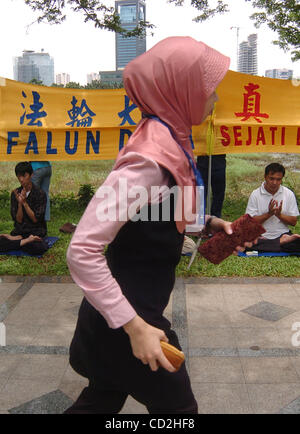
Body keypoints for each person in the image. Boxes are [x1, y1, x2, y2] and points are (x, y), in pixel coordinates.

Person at [65, 37, 253, 415]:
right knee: (180, 412)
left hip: (118, 318)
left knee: (101, 400)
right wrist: (135, 328)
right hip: (130, 321)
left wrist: (214, 224)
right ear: (179, 91)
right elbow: (82, 250)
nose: (215, 98)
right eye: (209, 89)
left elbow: (160, 211)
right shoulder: (148, 162)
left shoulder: (170, 139)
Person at [246, 162, 300, 253]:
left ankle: (279, 242)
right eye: (271, 179)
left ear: (282, 179)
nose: (274, 183)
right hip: (260, 235)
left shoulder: (288, 194)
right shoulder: (255, 194)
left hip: (283, 234)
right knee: (245, 243)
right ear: (265, 177)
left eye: (278, 179)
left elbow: (293, 222)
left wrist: (279, 215)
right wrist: (268, 214)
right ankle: (280, 243)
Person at [0, 162, 49, 256]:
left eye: (24, 176)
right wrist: (20, 204)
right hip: (19, 231)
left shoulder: (40, 193)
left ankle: (18, 241)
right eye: (18, 176)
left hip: (35, 231)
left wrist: (25, 203)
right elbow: (18, 220)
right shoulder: (15, 193)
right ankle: (24, 241)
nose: (21, 179)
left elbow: (35, 219)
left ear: (31, 175)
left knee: (38, 248)